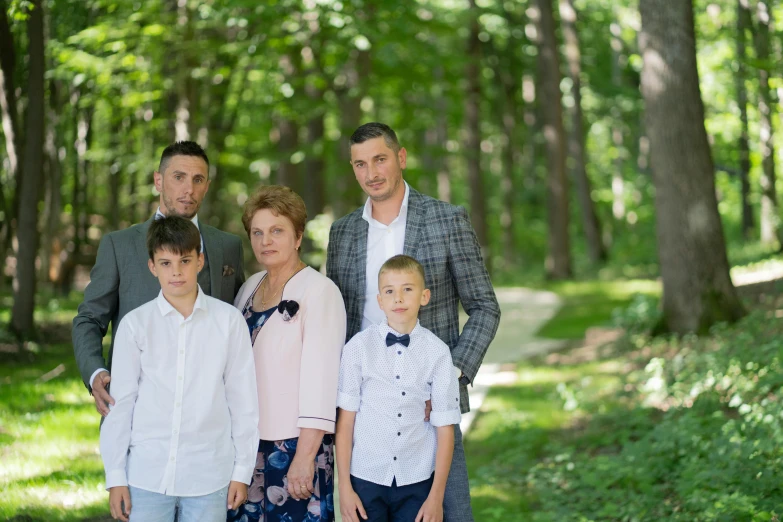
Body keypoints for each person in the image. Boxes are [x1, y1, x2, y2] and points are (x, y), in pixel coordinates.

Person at [326, 122, 501, 521]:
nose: (371, 173)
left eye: (380, 159)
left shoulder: (447, 220)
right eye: (360, 164)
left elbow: (485, 307)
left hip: (429, 404)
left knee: (449, 511)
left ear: (400, 158)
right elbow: (341, 320)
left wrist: (450, 378)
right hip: (366, 410)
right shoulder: (343, 233)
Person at [99, 216, 259, 522]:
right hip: (147, 473)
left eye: (185, 260)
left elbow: (243, 402)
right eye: (166, 263)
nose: (176, 272)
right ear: (152, 267)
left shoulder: (228, 322)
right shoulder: (135, 325)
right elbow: (122, 405)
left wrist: (242, 470)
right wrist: (116, 475)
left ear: (199, 261)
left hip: (209, 474)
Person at [73, 141, 246, 418]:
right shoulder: (120, 245)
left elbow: (238, 320)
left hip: (209, 410)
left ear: (207, 185)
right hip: (136, 406)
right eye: (178, 177)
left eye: (197, 179)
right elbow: (89, 319)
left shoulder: (228, 246)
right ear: (158, 180)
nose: (188, 189)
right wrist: (95, 373)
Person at [227, 185, 347, 522]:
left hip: (294, 447)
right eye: (258, 232)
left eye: (277, 231)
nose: (266, 240)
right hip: (248, 446)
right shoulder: (249, 287)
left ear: (298, 237)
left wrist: (305, 457)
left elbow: (322, 382)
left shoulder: (320, 291)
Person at [336, 255, 461, 522]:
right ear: (380, 300)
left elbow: (445, 428)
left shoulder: (438, 353)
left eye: (408, 289)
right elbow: (345, 422)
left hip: (416, 479)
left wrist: (436, 498)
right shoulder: (358, 348)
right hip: (366, 476)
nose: (399, 298)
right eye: (390, 291)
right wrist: (344, 488)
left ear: (424, 296)